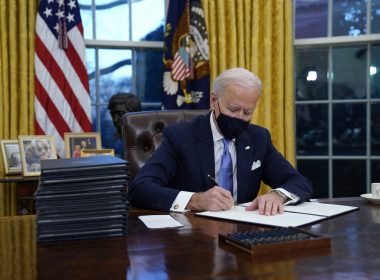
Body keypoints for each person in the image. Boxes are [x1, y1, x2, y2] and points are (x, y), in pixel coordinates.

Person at [128, 68, 312, 215]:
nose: (240, 118)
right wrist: (195, 200)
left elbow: (299, 182)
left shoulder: (258, 138)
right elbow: (140, 188)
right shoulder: (180, 137)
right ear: (214, 100)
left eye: (247, 112)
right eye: (233, 109)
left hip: (244, 233)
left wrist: (278, 195)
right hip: (192, 237)